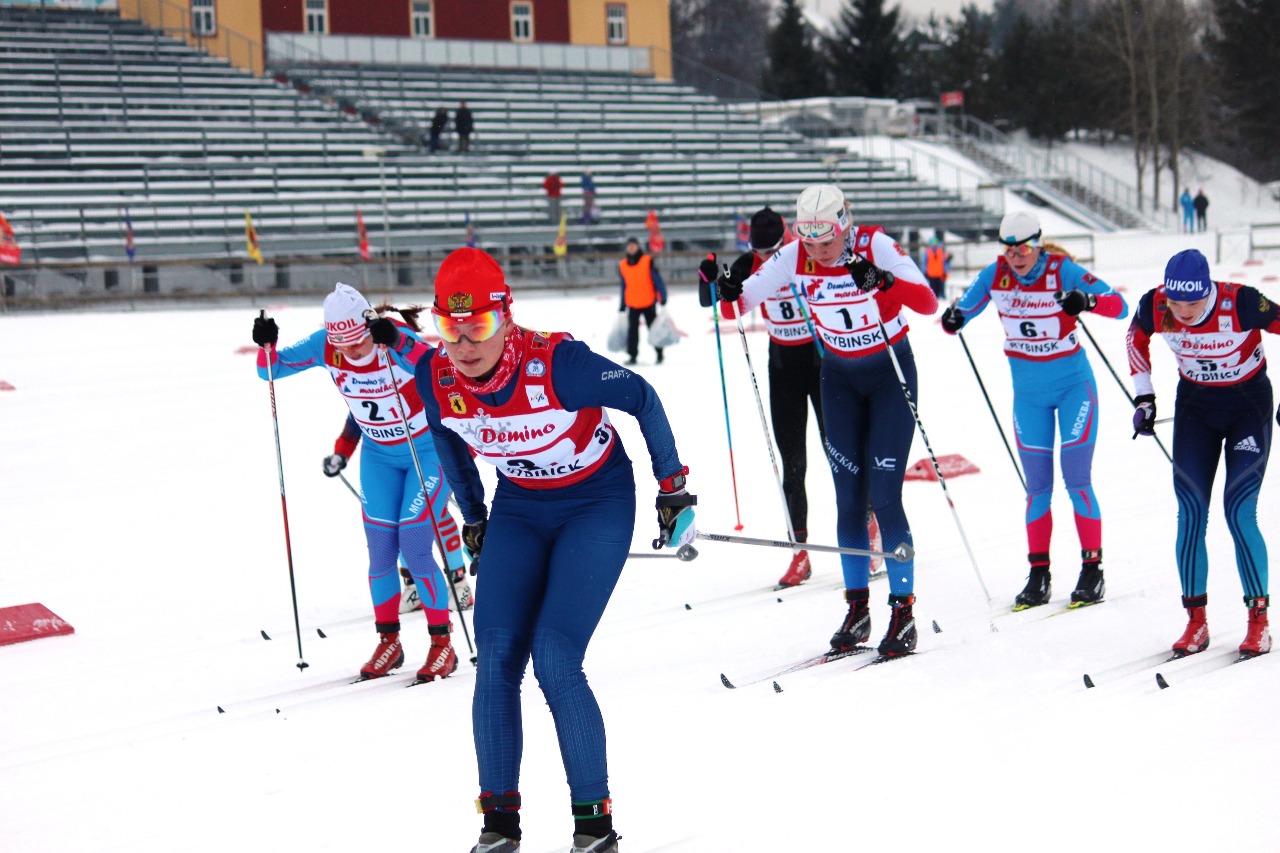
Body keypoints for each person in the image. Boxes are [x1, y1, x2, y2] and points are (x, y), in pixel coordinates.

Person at [411, 247, 695, 853]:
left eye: (479, 326)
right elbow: (448, 442)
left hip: (596, 501)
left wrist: (672, 488)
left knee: (554, 655)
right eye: (449, 327)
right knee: (495, 659)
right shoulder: (436, 377)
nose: (464, 344)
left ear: (506, 317)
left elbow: (642, 397)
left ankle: (594, 828)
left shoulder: (558, 363)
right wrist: (475, 517)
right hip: (520, 508)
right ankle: (499, 827)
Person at [715, 184, 938, 657]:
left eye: (827, 244)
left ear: (845, 226)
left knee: (884, 494)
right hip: (838, 377)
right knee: (847, 498)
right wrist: (728, 287)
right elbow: (738, 305)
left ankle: (903, 612)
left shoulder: (875, 245)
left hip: (888, 375)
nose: (818, 254)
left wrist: (882, 281)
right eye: (810, 244)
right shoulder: (795, 256)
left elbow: (928, 303)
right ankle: (857, 608)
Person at [251, 283, 464, 682]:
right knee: (381, 552)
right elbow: (270, 369)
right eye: (342, 345)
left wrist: (400, 340)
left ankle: (442, 644)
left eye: (357, 344)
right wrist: (267, 344)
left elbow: (445, 369)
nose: (350, 353)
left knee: (415, 544)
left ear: (370, 328)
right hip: (379, 457)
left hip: (427, 453)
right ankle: (389, 642)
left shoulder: (392, 343)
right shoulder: (326, 346)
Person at [939, 211, 1129, 611]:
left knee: (1077, 481)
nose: (1015, 255)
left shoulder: (1063, 270)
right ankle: (1039, 574)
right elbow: (962, 312)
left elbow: (1120, 305)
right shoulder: (995, 275)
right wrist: (953, 318)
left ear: (1037, 244)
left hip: (1074, 389)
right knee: (1037, 488)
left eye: (1023, 247)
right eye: (1008, 248)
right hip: (1028, 397)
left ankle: (1092, 570)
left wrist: (1086, 301)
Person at [1127, 248, 1280, 658]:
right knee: (1191, 511)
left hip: (1249, 408)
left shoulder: (1241, 302)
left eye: (1192, 303)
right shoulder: (1158, 304)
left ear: (1207, 291)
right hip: (1195, 410)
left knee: (1238, 509)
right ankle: (1196, 623)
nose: (1183, 312)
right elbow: (1135, 336)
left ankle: (1259, 623)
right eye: (1176, 303)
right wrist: (1144, 397)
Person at [325, 412, 473, 613]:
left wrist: (462, 455)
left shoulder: (410, 381)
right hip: (389, 463)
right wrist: (341, 454)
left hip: (430, 456)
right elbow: (354, 423)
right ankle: (413, 585)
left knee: (433, 516)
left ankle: (458, 583)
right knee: (397, 520)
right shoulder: (366, 388)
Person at [618, 236, 668, 366]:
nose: (631, 248)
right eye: (629, 246)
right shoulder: (623, 265)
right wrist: (622, 304)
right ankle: (632, 356)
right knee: (632, 332)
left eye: (633, 245)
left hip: (648, 302)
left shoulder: (647, 261)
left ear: (638, 247)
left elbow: (657, 280)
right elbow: (624, 285)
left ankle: (659, 353)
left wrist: (662, 296)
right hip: (632, 303)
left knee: (654, 329)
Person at [920, 232, 952, 299]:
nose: (934, 245)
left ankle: (941, 299)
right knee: (933, 290)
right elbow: (924, 263)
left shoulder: (941, 252)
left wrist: (946, 270)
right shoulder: (927, 252)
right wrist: (925, 271)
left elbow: (945, 262)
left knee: (940, 289)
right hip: (931, 275)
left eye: (935, 243)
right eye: (932, 243)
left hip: (940, 274)